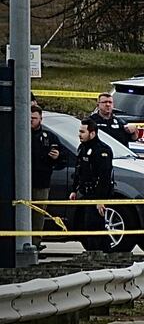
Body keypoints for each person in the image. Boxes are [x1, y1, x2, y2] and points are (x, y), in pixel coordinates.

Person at [70, 118, 116, 252]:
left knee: (95, 224)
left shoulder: (102, 150)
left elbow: (104, 177)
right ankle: (98, 252)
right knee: (90, 224)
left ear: (92, 133)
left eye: (82, 132)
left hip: (97, 193)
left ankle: (97, 253)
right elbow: (79, 170)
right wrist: (74, 189)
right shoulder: (82, 147)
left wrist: (100, 199)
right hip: (86, 193)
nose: (79, 135)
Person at [29, 105, 64, 249]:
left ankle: (35, 243)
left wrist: (58, 157)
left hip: (41, 183)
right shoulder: (18, 134)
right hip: (20, 183)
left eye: (34, 118)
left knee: (38, 214)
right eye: (29, 118)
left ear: (41, 119)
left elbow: (63, 159)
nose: (31, 120)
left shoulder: (49, 137)